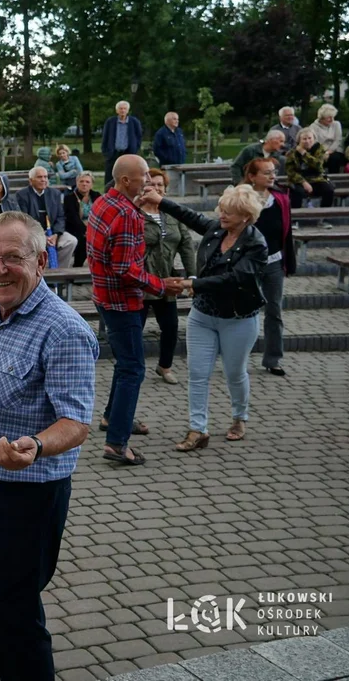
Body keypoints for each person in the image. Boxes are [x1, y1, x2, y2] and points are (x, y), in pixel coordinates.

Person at [0, 211, 99, 681]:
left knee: (15, 610)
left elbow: (76, 421)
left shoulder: (65, 329)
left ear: (42, 261)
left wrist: (35, 444)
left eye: (13, 258)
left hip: (28, 494)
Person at [86, 155, 185, 466]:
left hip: (104, 297)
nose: (149, 181)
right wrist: (160, 285)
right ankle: (116, 443)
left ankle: (111, 419)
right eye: (143, 176)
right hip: (122, 302)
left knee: (125, 364)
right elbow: (124, 268)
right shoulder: (129, 214)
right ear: (126, 180)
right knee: (133, 369)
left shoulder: (103, 202)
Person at [152, 186, 268, 450]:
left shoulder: (256, 244)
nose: (222, 215)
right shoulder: (217, 229)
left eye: (230, 212)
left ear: (246, 217)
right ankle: (197, 430)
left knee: (234, 373)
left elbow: (235, 278)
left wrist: (193, 283)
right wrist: (161, 201)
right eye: (222, 209)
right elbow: (190, 216)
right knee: (197, 373)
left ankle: (239, 417)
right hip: (203, 315)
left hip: (238, 318)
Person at [138, 169, 195, 386]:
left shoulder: (172, 213)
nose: (156, 188)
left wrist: (192, 275)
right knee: (137, 328)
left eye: (160, 185)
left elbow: (187, 244)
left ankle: (165, 366)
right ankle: (135, 368)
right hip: (141, 281)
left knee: (170, 327)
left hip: (167, 280)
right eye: (151, 184)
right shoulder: (135, 213)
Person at [242, 158, 294, 377]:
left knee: (274, 311)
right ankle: (237, 358)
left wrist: (289, 261)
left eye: (273, 172)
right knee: (244, 312)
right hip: (247, 264)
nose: (272, 176)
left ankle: (273, 359)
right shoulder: (242, 197)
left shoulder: (281, 199)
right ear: (252, 177)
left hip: (273, 263)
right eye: (266, 173)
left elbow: (287, 232)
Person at [13, 167, 77, 268]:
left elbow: (60, 216)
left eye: (45, 177)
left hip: (53, 233)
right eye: (39, 177)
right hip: (32, 233)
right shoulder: (22, 195)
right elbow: (24, 219)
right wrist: (42, 236)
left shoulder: (54, 193)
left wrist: (56, 234)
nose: (43, 180)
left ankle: (60, 273)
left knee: (71, 241)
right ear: (31, 180)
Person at [287, 128, 336, 211]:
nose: (307, 141)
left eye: (310, 138)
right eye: (304, 139)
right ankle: (295, 219)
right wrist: (303, 182)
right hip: (299, 180)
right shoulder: (292, 152)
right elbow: (290, 171)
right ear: (299, 140)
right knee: (297, 192)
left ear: (314, 139)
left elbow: (318, 166)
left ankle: (323, 217)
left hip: (316, 178)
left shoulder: (319, 149)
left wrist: (304, 153)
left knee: (329, 190)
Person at [61, 171, 99, 267]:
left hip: (95, 227)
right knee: (83, 240)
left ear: (92, 184)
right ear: (77, 183)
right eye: (81, 181)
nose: (84, 184)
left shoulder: (97, 196)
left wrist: (93, 229)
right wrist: (86, 230)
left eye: (87, 182)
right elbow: (72, 218)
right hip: (76, 227)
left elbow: (101, 215)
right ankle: (77, 266)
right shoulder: (69, 198)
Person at [100, 101, 143, 182]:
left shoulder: (134, 122)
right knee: (110, 176)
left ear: (127, 110)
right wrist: (105, 152)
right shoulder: (110, 122)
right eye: (120, 109)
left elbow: (139, 136)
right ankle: (109, 193)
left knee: (128, 175)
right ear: (117, 111)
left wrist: (135, 148)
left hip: (128, 152)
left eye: (124, 109)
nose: (122, 111)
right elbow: (105, 137)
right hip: (113, 153)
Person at [309, 103, 345, 175]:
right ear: (321, 118)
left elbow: (338, 140)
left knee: (334, 158)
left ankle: (335, 179)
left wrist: (328, 152)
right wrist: (323, 152)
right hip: (320, 150)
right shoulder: (313, 127)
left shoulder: (336, 124)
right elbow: (315, 142)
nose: (331, 119)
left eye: (333, 117)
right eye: (329, 117)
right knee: (317, 159)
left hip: (334, 150)